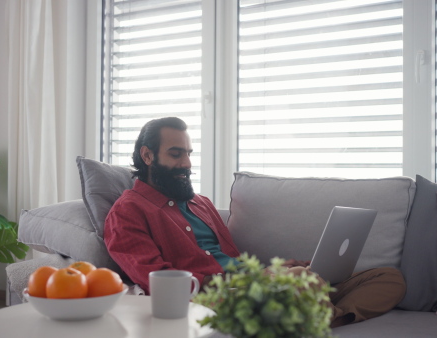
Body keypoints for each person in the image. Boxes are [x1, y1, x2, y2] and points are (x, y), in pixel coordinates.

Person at [104, 117, 406, 327]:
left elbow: (234, 260)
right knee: (302, 286)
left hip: (251, 283)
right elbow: (158, 282)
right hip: (216, 298)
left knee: (389, 278)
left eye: (189, 153)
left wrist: (276, 271)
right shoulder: (127, 212)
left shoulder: (201, 203)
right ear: (147, 155)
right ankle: (314, 309)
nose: (187, 163)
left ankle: (318, 315)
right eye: (176, 154)